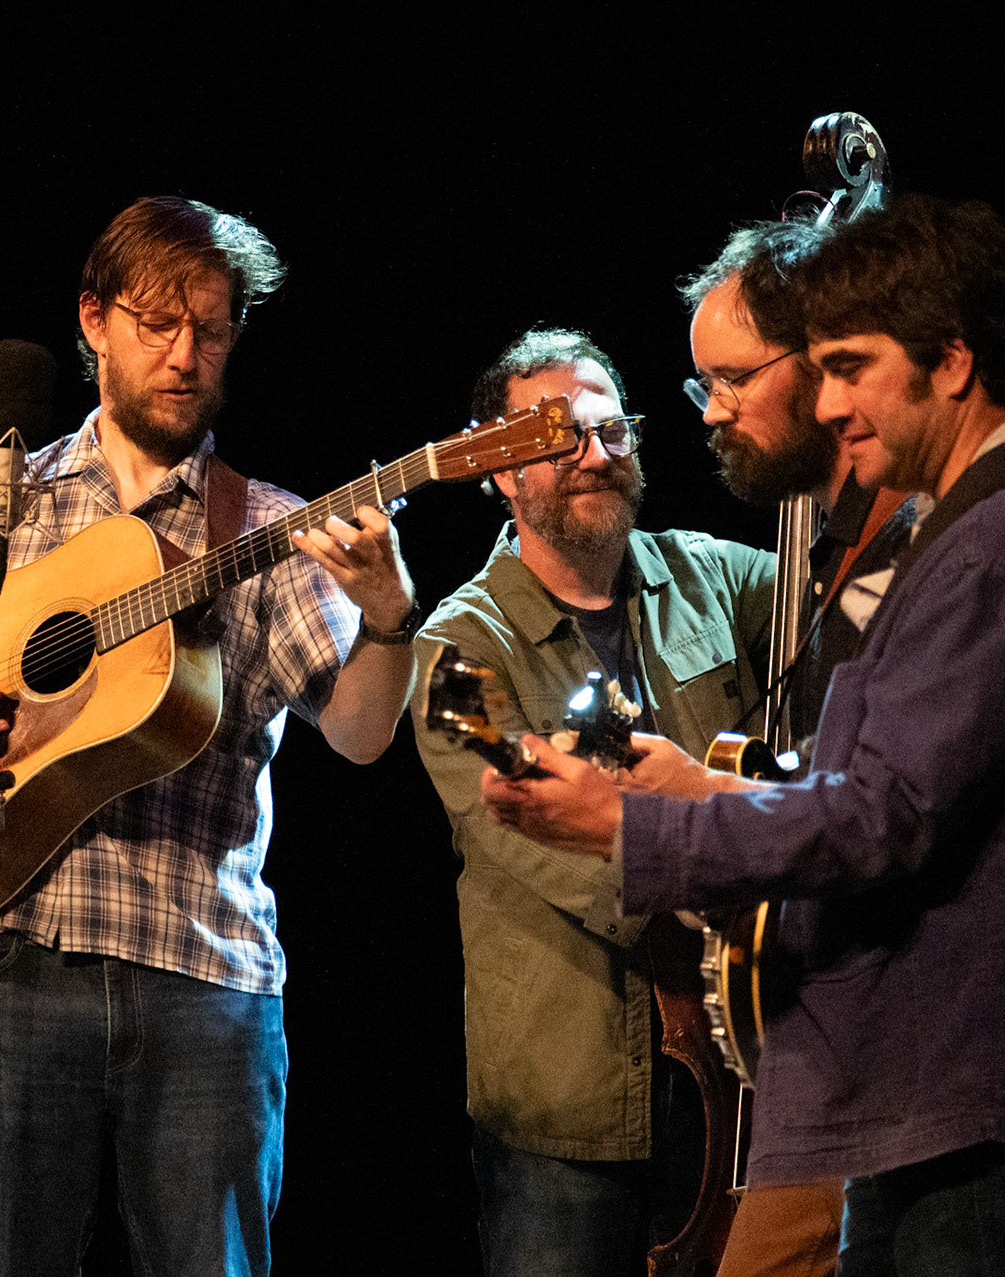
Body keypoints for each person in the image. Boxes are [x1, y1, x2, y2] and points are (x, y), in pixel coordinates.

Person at [481, 195, 1005, 1275]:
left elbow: (881, 817)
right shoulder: (968, 530)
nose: (830, 399)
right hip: (934, 1096)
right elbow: (873, 791)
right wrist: (696, 797)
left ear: (951, 361)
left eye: (850, 366)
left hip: (983, 1099)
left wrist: (634, 827)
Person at [0, 195, 418, 1274]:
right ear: (94, 320)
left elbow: (363, 734)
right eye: (159, 323)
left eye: (212, 329)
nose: (185, 356)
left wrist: (389, 616)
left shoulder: (270, 529)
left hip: (204, 978)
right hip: (4, 962)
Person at [409, 327, 774, 1275]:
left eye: (613, 431)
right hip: (566, 1118)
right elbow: (537, 832)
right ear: (500, 468)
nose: (595, 454)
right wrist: (737, 863)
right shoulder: (453, 652)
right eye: (559, 437)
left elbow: (845, 594)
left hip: (743, 1074)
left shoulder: (710, 575)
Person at [680, 217, 922, 1276]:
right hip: (835, 1038)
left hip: (904, 1045)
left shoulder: (925, 541)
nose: (713, 410)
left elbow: (884, 810)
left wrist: (691, 819)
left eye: (734, 378)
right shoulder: (830, 553)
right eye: (703, 385)